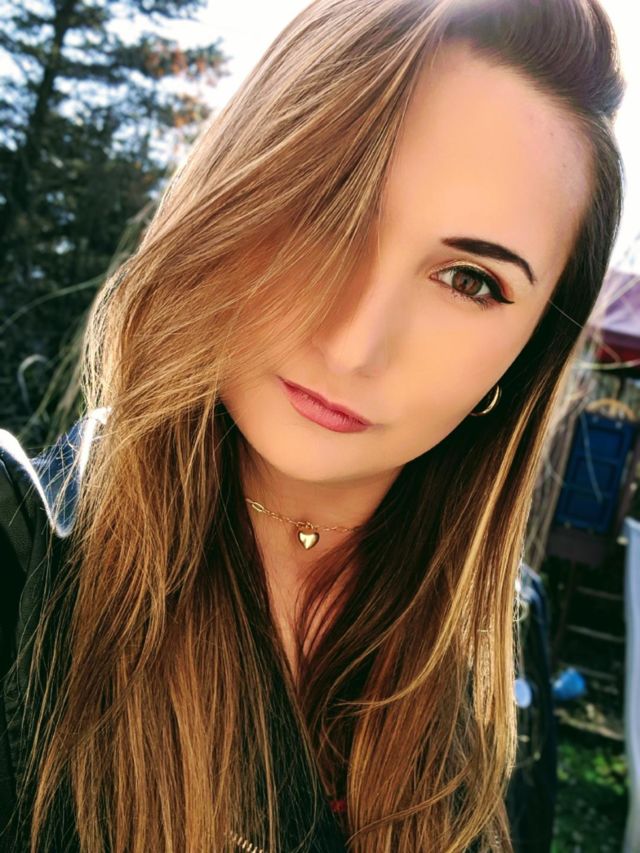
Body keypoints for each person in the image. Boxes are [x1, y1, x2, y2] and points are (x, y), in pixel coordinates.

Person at [0, 0, 625, 850]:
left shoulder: (500, 645)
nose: (353, 341)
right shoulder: (25, 565)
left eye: (470, 281)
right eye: (327, 210)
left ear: (528, 353)